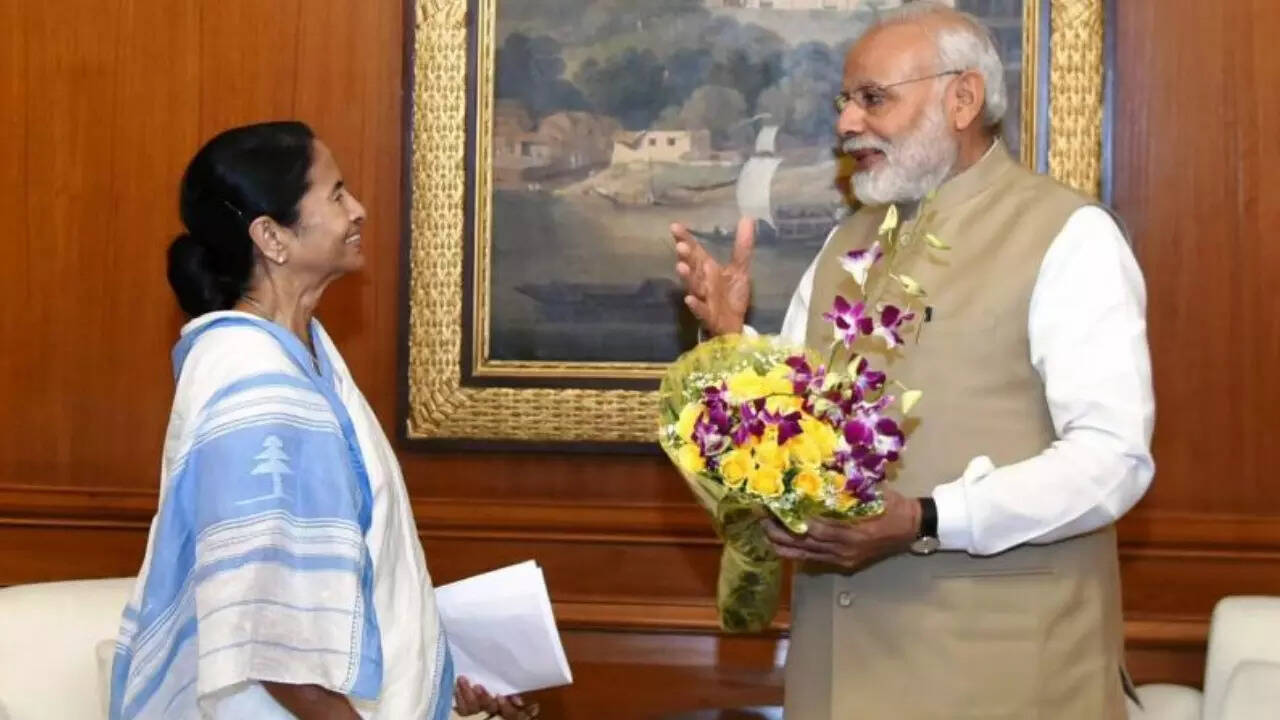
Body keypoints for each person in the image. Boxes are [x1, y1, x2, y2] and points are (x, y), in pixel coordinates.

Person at [670, 3, 1154, 718]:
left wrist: (928, 519)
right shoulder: (843, 245)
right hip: (837, 675)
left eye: (873, 99)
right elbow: (797, 437)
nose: (847, 123)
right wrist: (733, 340)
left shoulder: (1068, 235)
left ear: (962, 99)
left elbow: (1113, 460)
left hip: (1002, 682)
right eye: (846, 101)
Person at [109, 122, 534, 720]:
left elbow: (346, 569)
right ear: (271, 236)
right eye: (335, 195)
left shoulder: (304, 355)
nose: (358, 210)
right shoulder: (249, 372)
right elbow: (267, 633)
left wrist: (447, 673)